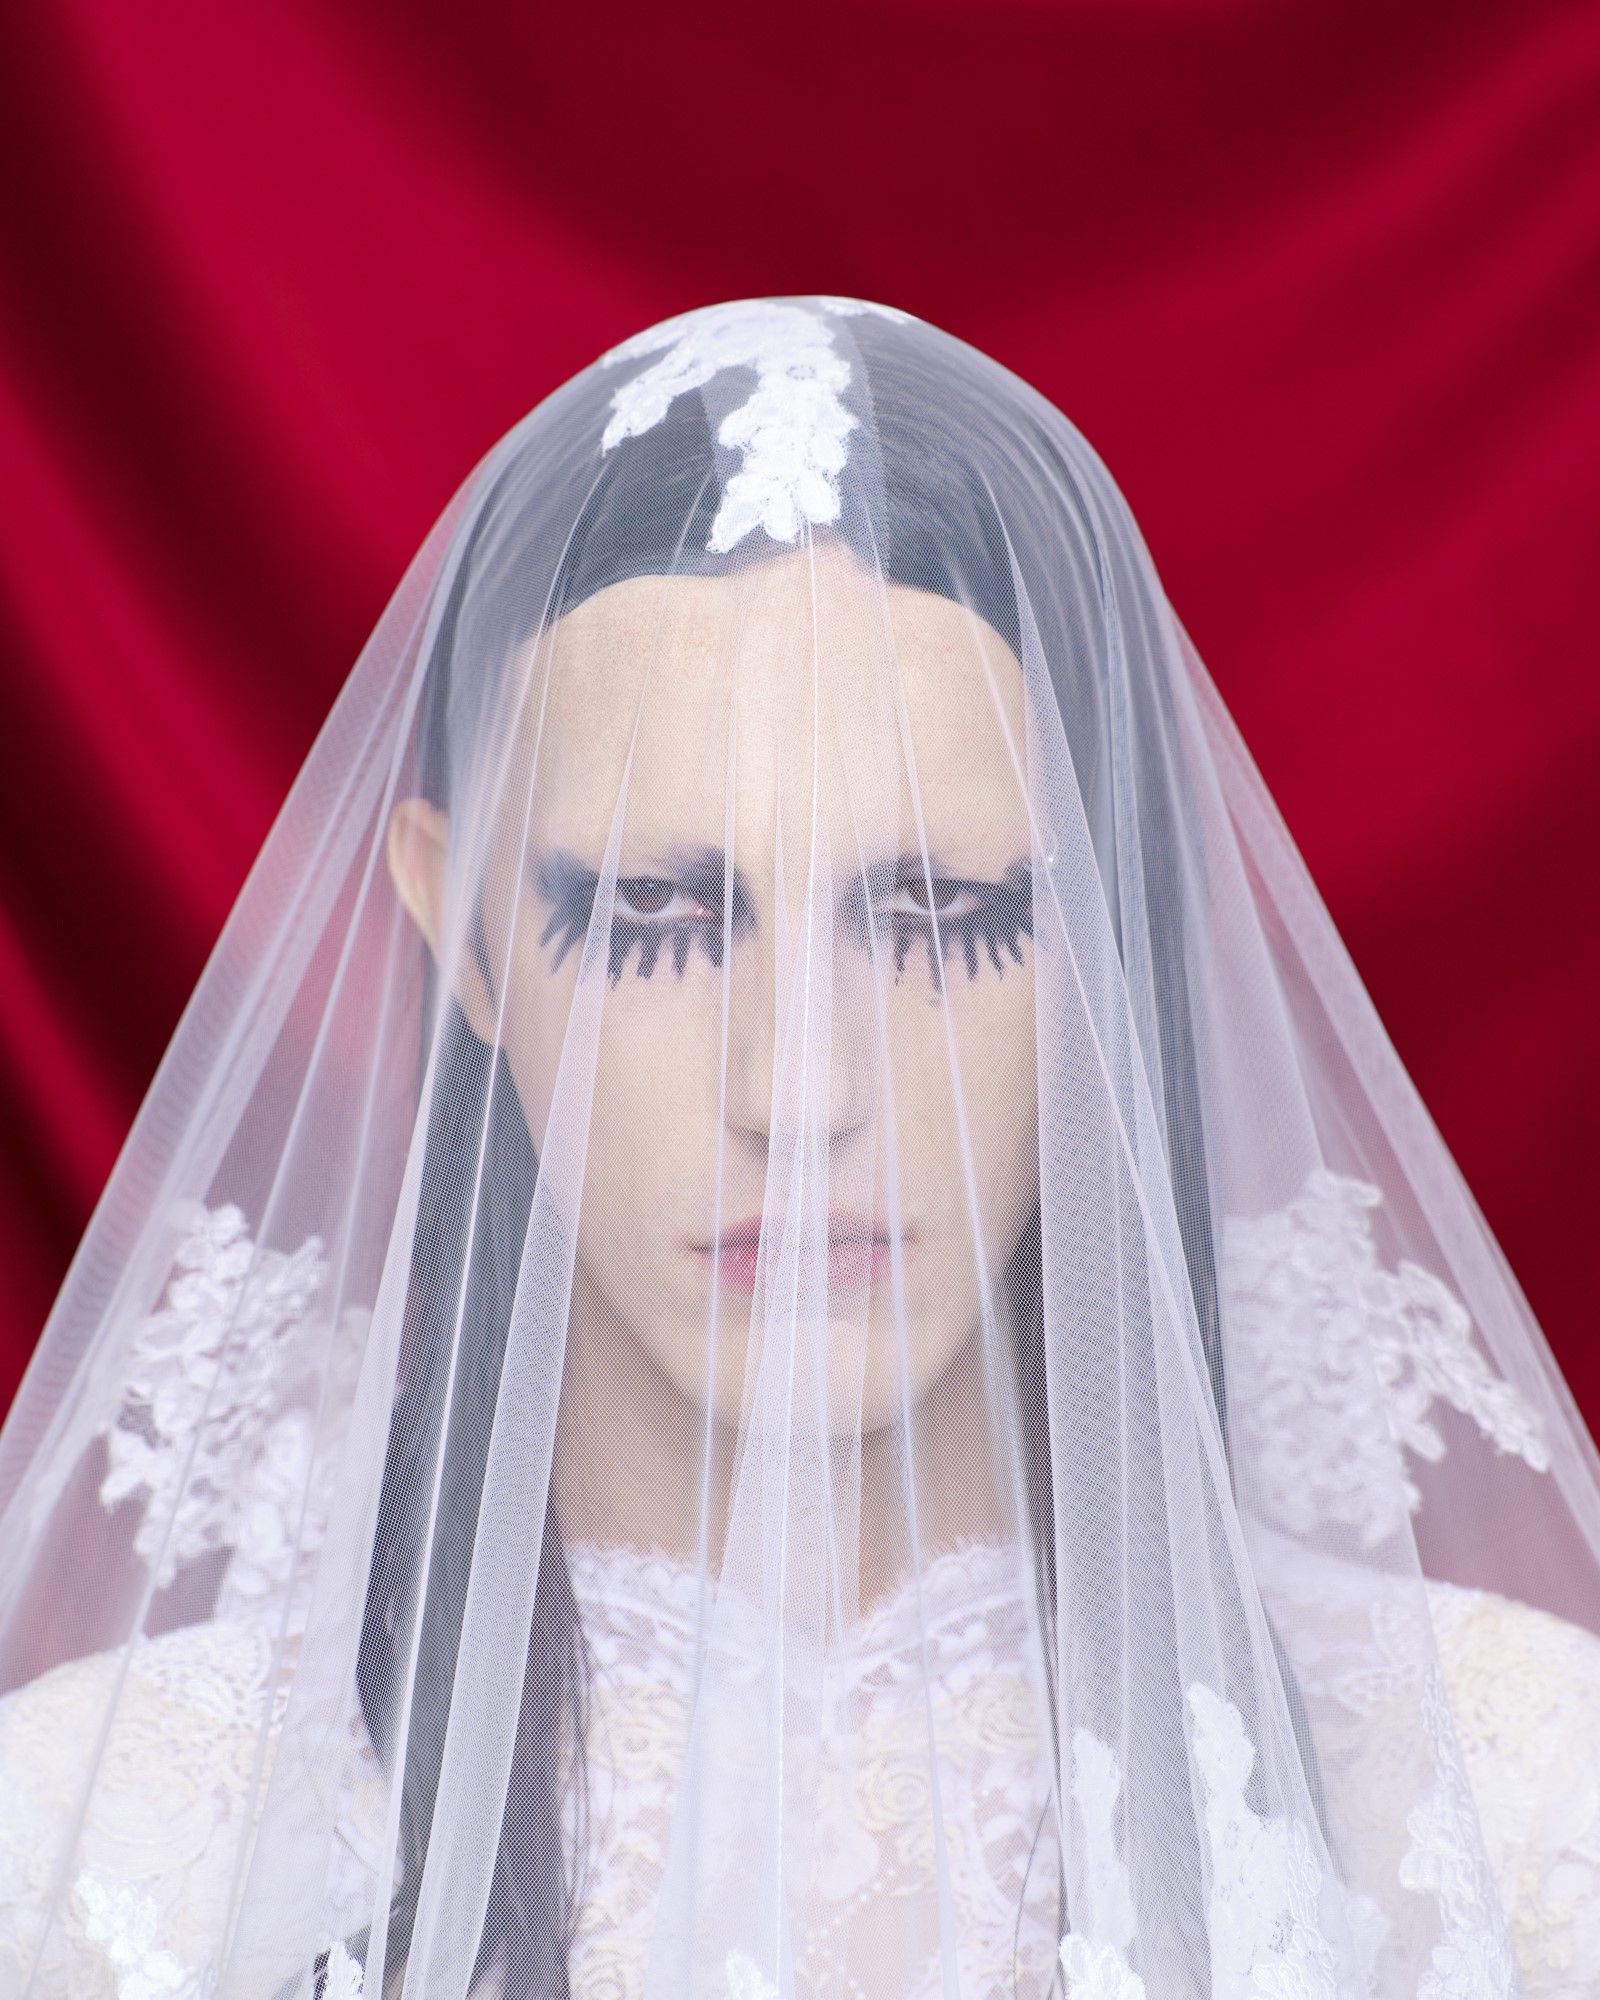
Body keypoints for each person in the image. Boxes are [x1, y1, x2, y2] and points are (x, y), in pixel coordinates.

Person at [0, 296, 1595, 2000]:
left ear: (1109, 943)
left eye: (938, 912)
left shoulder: (1515, 1805)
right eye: (661, 912)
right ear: (458, 929)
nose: (803, 1087)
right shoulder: (96, 1850)